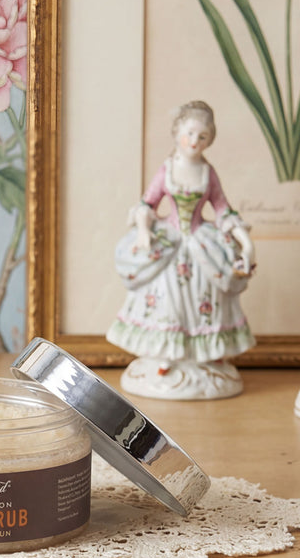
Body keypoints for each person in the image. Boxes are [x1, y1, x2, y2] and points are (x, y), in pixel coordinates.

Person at [107, 101, 255, 383]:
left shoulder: (207, 172)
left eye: (202, 136)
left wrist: (246, 243)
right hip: (170, 239)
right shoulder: (167, 170)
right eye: (189, 134)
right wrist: (143, 230)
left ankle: (206, 353)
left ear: (210, 139)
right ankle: (166, 353)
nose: (194, 141)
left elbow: (222, 209)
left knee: (207, 292)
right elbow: (147, 203)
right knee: (168, 295)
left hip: (200, 239)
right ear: (177, 134)